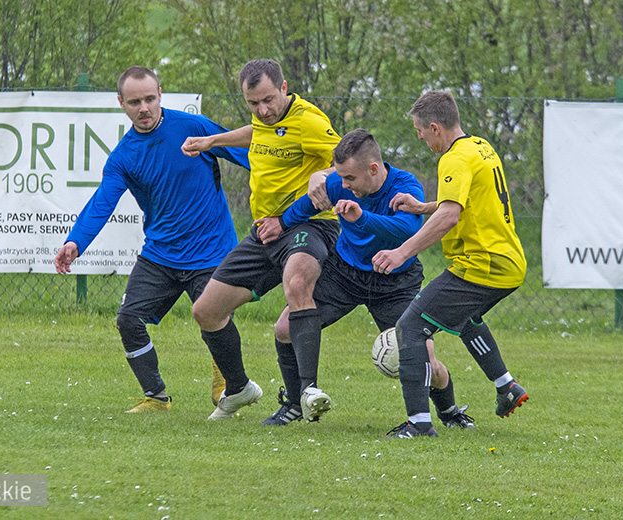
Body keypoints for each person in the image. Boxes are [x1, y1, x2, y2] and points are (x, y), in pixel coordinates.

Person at [54, 66, 249, 413]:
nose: (143, 108)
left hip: (212, 251)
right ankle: (156, 397)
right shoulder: (123, 157)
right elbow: (102, 202)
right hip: (160, 255)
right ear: (121, 103)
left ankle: (230, 385)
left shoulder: (193, 128)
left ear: (160, 94)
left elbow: (249, 154)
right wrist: (75, 242)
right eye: (134, 102)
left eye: (149, 99)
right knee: (128, 320)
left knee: (214, 317)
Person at [257, 128, 474, 429]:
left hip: (396, 282)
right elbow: (308, 205)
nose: (342, 184)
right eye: (340, 177)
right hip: (343, 274)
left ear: (373, 169)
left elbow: (408, 230)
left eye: (350, 179)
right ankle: (296, 402)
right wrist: (280, 222)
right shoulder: (338, 181)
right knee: (285, 328)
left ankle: (449, 411)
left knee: (426, 359)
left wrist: (363, 218)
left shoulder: (405, 185)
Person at [181, 59, 340, 420]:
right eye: (253, 104)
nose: (262, 111)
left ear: (284, 87)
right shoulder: (264, 118)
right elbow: (257, 131)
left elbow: (354, 160)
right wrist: (212, 141)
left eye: (268, 100)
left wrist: (325, 173)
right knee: (206, 311)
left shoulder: (309, 120)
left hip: (309, 225)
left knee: (297, 280)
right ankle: (238, 388)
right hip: (264, 231)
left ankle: (306, 392)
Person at [372, 90, 528, 438]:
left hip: (481, 265)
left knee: (410, 327)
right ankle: (506, 386)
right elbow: (464, 202)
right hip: (509, 263)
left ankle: (419, 424)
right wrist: (421, 206)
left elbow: (450, 216)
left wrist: (402, 253)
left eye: (420, 131)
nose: (420, 138)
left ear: (434, 127)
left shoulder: (454, 159)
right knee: (463, 318)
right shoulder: (479, 147)